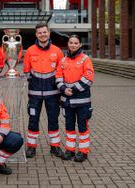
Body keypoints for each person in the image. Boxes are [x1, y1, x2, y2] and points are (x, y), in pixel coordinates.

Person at [23, 23, 64, 158]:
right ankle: (31, 147)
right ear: (36, 34)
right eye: (40, 33)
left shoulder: (57, 51)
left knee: (53, 119)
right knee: (33, 119)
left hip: (53, 94)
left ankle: (55, 146)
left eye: (44, 32)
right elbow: (26, 71)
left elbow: (60, 72)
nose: (42, 35)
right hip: (34, 94)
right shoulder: (30, 51)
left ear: (49, 32)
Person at [55, 34, 94, 162]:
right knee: (69, 126)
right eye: (71, 42)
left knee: (83, 127)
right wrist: (63, 89)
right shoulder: (63, 60)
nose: (73, 45)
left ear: (80, 44)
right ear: (68, 44)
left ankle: (83, 152)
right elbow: (58, 77)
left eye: (75, 43)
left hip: (82, 101)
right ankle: (70, 150)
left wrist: (72, 89)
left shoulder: (85, 59)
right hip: (67, 101)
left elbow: (88, 78)